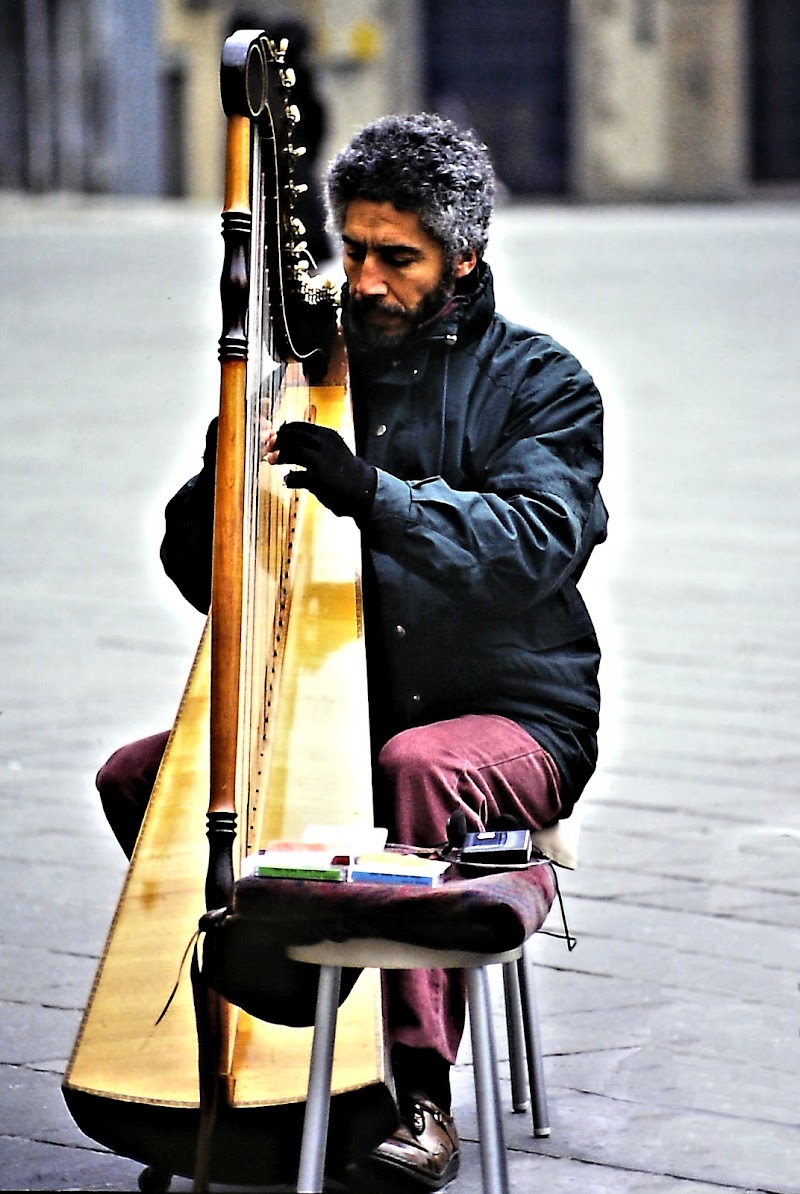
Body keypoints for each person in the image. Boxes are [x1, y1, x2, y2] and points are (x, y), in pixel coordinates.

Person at [97, 112, 607, 1191]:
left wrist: (371, 494)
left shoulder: (541, 383)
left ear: (462, 256)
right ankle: (264, 1057)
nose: (364, 280)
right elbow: (215, 592)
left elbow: (532, 546)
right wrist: (219, 486)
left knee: (412, 769)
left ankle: (413, 1098)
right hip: (340, 712)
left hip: (508, 713)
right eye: (352, 251)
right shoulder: (306, 372)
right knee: (141, 777)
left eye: (397, 257)